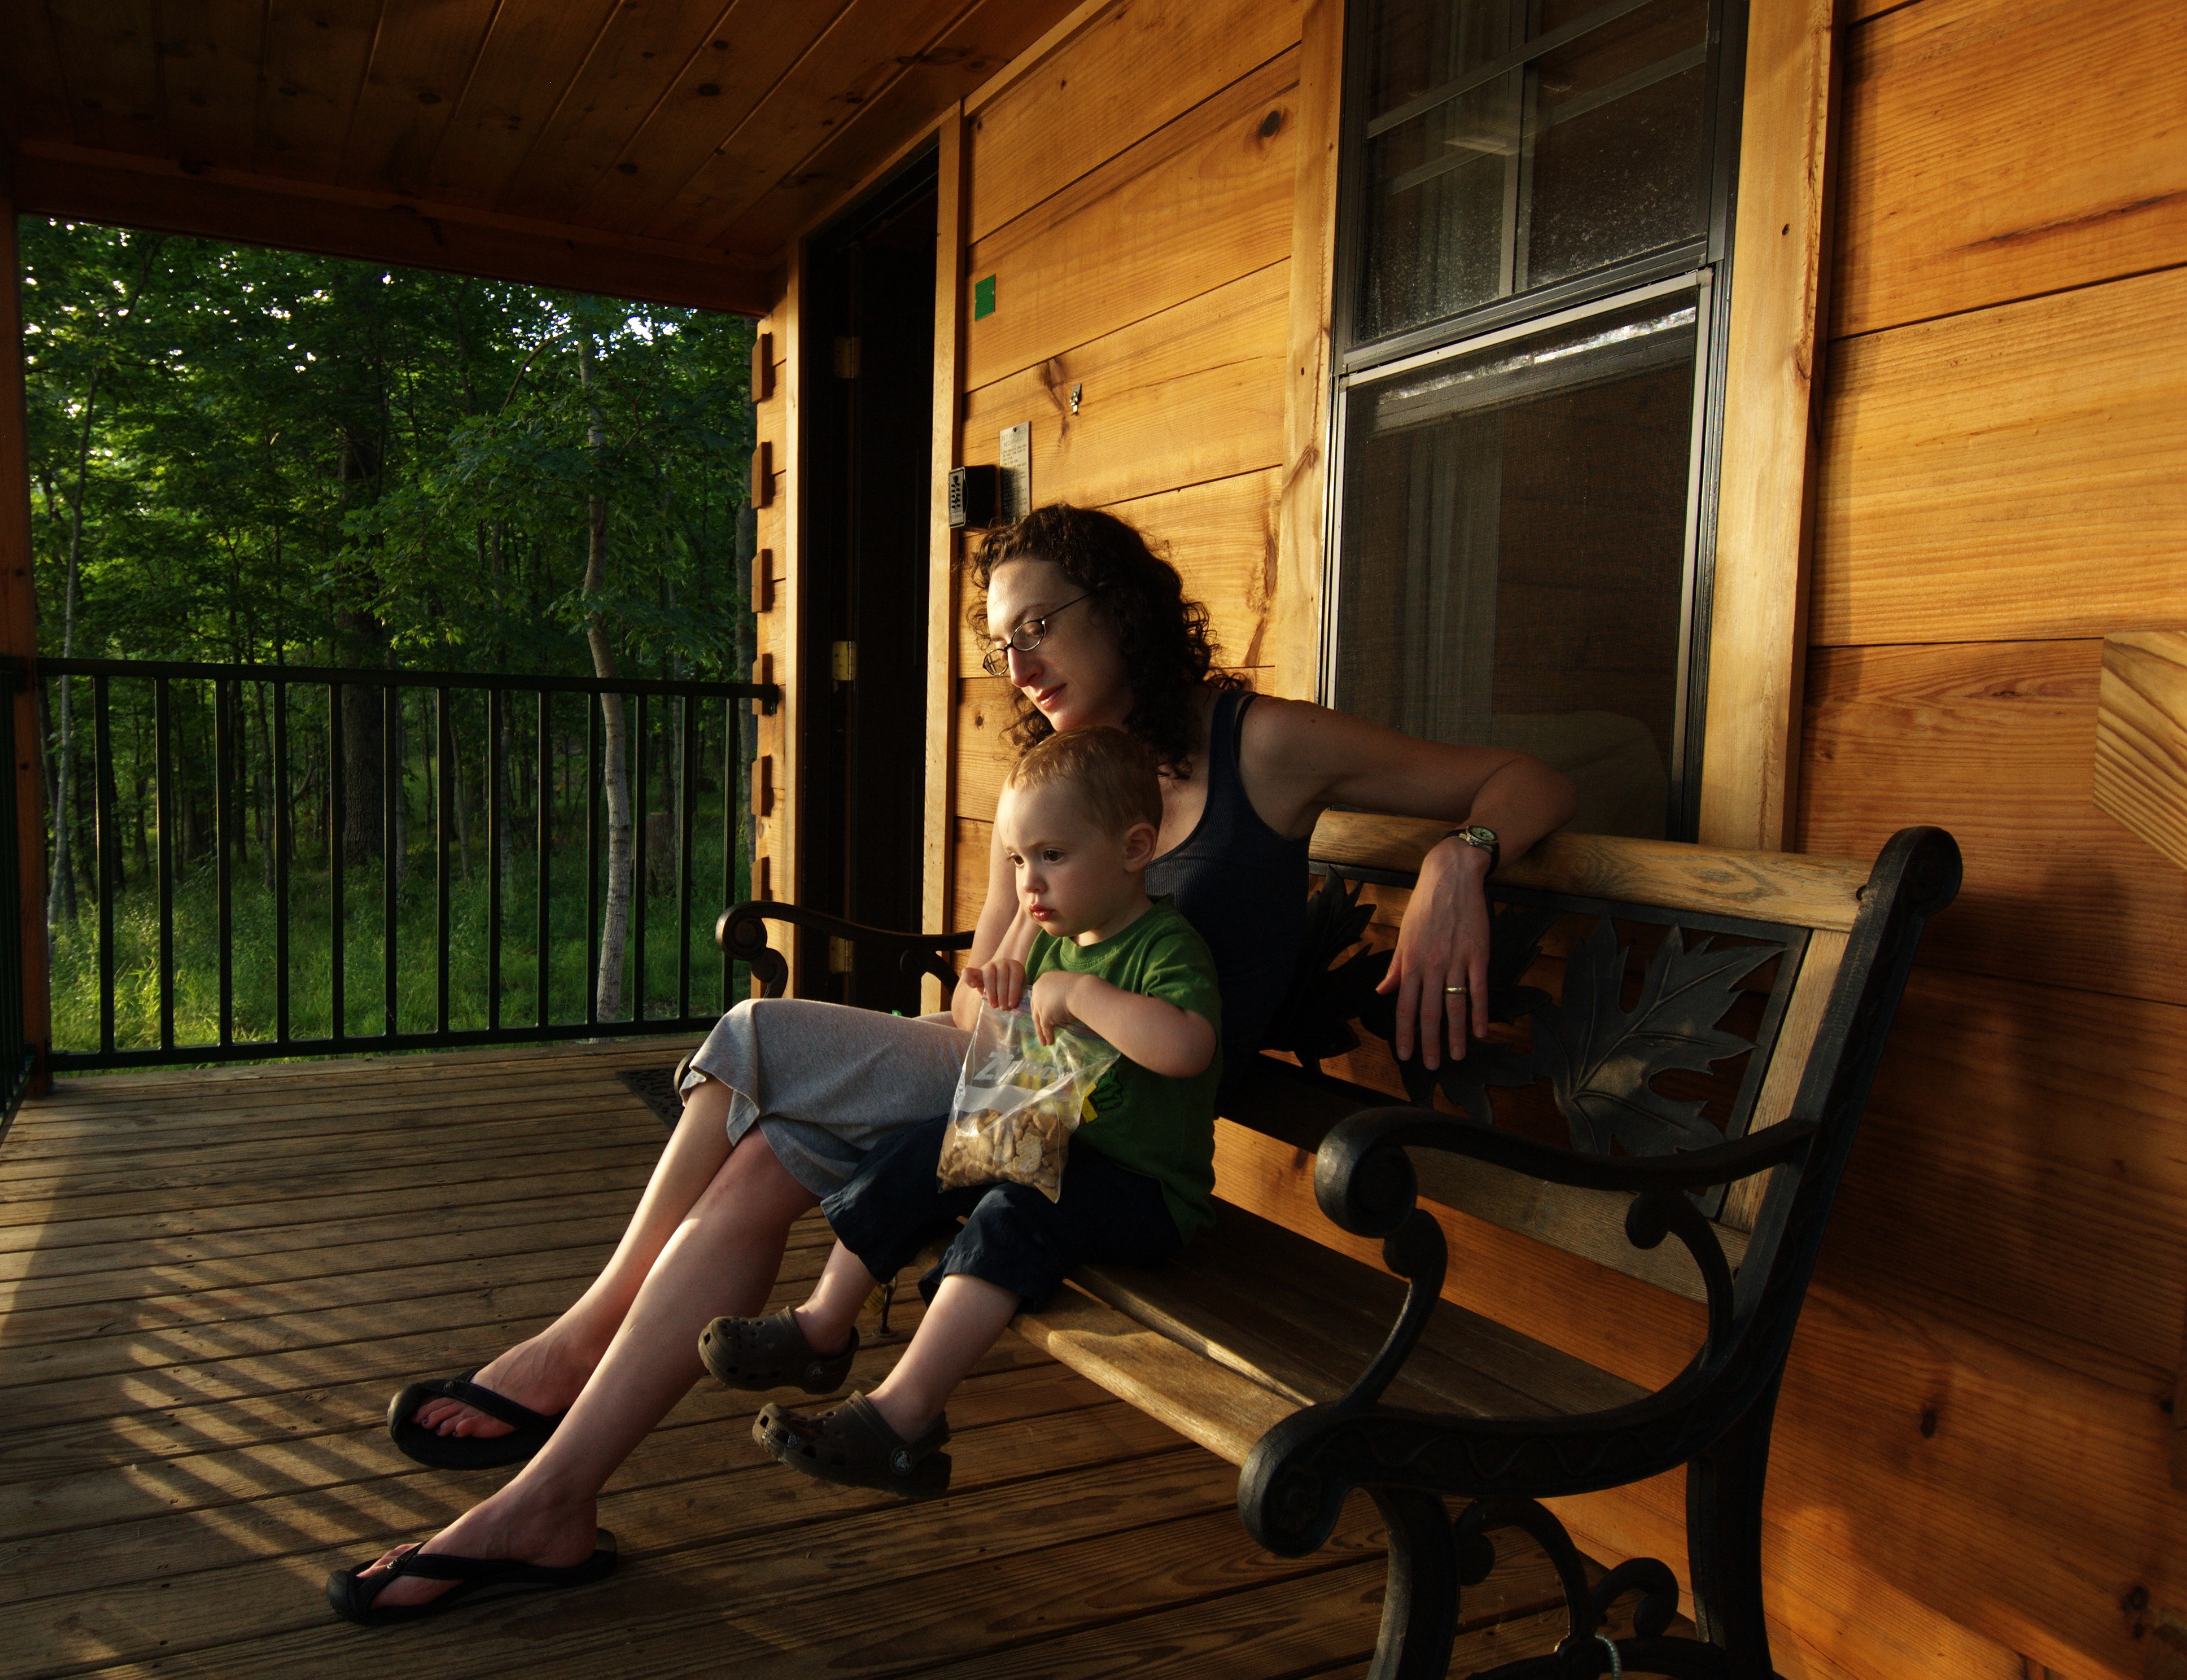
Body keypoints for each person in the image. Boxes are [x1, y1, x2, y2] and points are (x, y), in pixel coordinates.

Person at [327, 504, 1575, 1622]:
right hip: (1018, 1089)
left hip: (1106, 1124)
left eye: (1039, 626)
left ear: (1123, 610)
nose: (1019, 663)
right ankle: (549, 1503)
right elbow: (986, 1009)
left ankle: (578, 1353)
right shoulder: (1049, 787)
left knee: (759, 1044)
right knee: (762, 1156)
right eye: (1001, 644)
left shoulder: (1262, 745)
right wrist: (1018, 969)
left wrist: (1458, 858)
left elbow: (1523, 777)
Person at [707, 726, 1221, 1498]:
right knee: (925, 1150)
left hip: (1141, 1191)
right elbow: (992, 1035)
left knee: (1010, 1214)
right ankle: (821, 1326)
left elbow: (1187, 1048)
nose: (1029, 884)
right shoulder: (1051, 942)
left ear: (1134, 847)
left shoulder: (1162, 948)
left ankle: (904, 1419)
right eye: (1017, 861)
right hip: (1051, 1149)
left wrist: (1083, 996)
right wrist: (1010, 988)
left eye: (1051, 856)